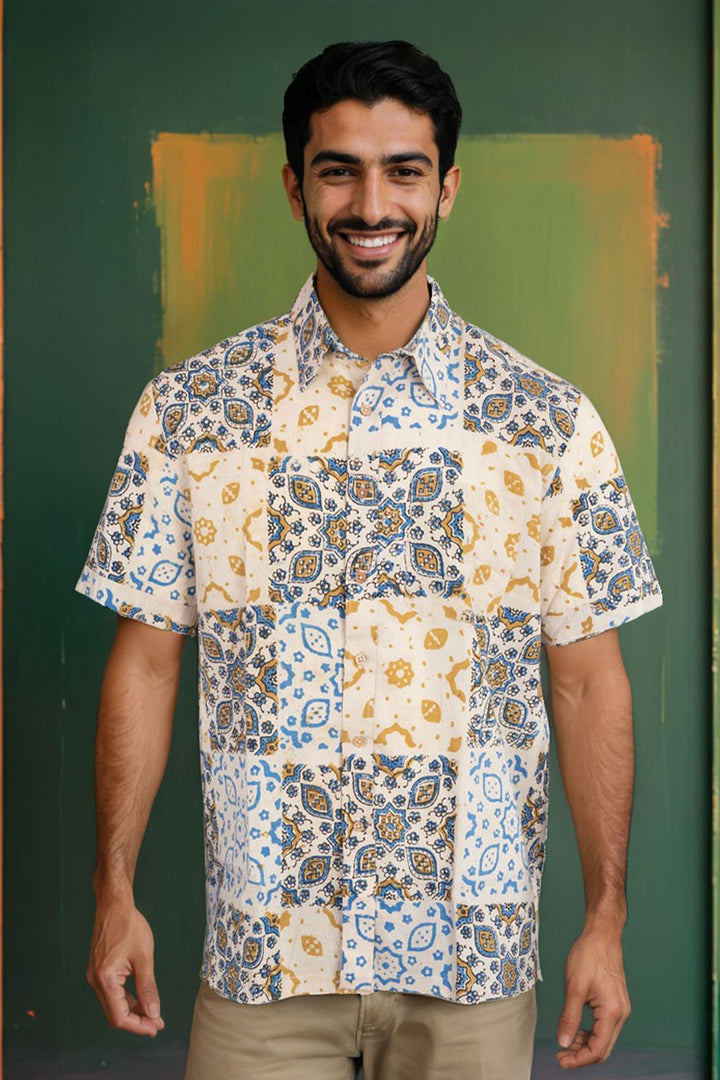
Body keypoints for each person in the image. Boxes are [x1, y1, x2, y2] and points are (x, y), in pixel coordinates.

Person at [76, 39, 663, 1080]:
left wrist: (606, 919)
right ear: (295, 184)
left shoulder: (547, 424)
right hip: (263, 957)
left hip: (474, 962)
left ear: (448, 188)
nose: (371, 203)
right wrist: (113, 893)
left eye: (404, 170)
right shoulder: (188, 414)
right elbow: (148, 665)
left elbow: (587, 684)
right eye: (339, 169)